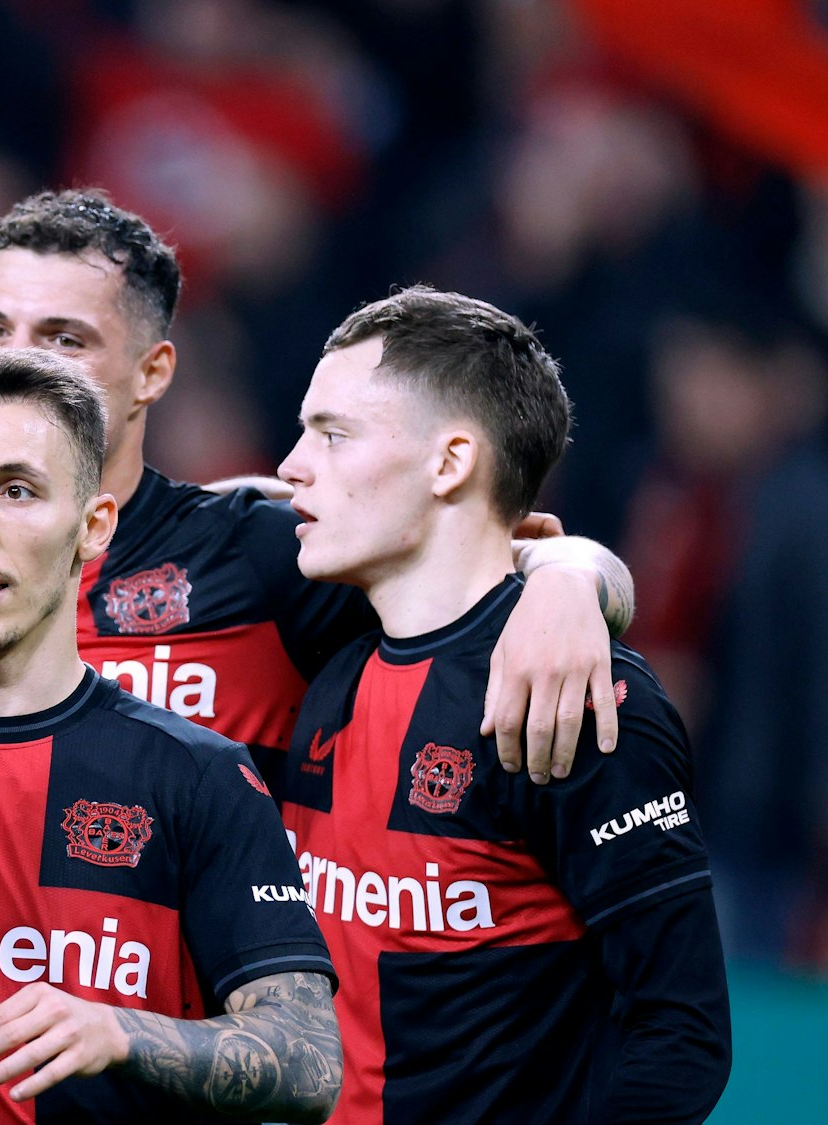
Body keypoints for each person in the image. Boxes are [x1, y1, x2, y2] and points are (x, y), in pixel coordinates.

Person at [0, 347, 343, 1123]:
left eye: (16, 490)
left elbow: (308, 1057)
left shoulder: (196, 775)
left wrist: (122, 1030)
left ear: (94, 526)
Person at [0, 189, 638, 790]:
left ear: (153, 373)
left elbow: (517, 554)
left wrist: (568, 585)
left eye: (63, 338)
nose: (14, 363)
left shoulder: (253, 552)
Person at [277, 287, 731, 1122]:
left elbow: (681, 1030)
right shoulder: (328, 665)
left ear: (450, 463)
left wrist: (573, 579)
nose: (292, 465)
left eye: (334, 435)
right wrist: (572, 570)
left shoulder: (579, 698)